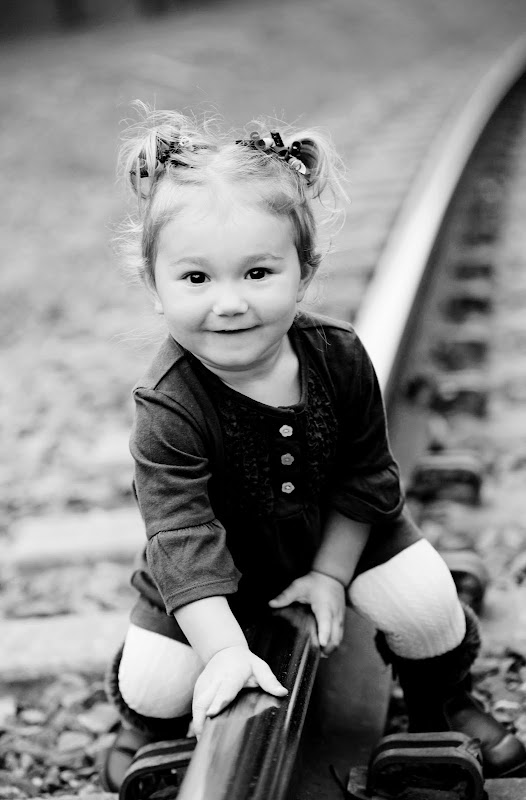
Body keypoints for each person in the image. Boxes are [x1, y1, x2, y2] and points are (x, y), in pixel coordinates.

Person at [102, 104, 526, 792]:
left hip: (337, 529)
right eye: (196, 278)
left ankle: (441, 700)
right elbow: (181, 535)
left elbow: (365, 476)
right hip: (212, 571)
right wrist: (225, 651)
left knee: (427, 602)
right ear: (155, 287)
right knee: (153, 683)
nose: (229, 303)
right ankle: (146, 731)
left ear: (304, 273)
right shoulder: (168, 405)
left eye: (258, 273)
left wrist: (331, 575)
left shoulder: (337, 356)